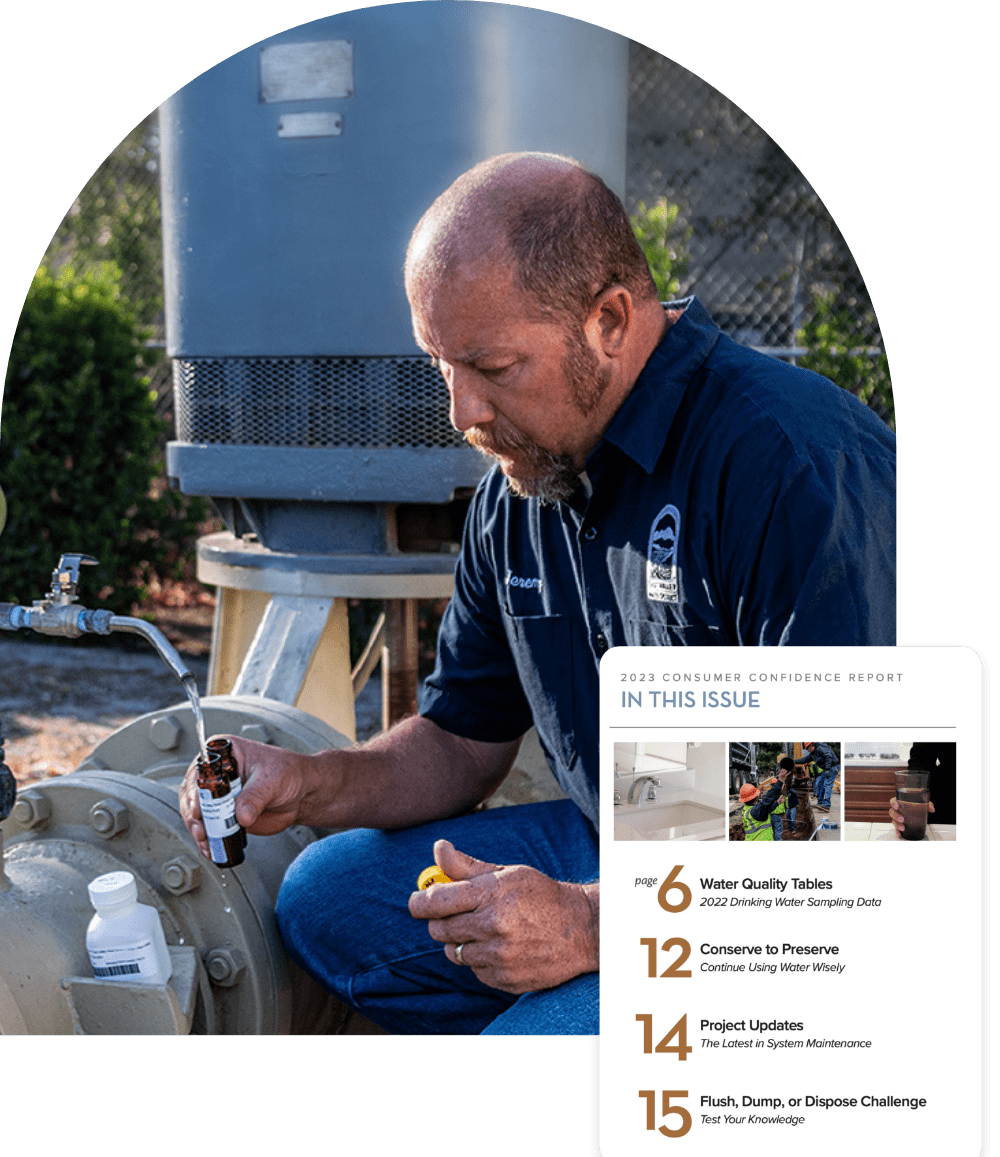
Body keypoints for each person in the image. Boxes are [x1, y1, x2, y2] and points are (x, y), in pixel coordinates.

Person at [179, 153, 896, 1035]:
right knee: (327, 898)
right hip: (629, 839)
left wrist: (597, 920)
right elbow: (457, 740)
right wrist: (312, 781)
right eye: (440, 364)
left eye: (492, 365)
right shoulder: (523, 490)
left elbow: (874, 796)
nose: (461, 412)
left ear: (609, 321)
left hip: (802, 900)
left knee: (528, 1043)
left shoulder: (791, 464)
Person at [795, 742, 839, 811]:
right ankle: (820, 803)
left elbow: (828, 756)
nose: (808, 750)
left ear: (811, 745)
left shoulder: (820, 747)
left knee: (827, 784)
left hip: (833, 767)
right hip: (827, 768)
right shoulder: (813, 754)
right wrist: (794, 761)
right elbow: (804, 760)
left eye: (807, 748)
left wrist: (827, 769)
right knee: (820, 784)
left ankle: (826, 805)